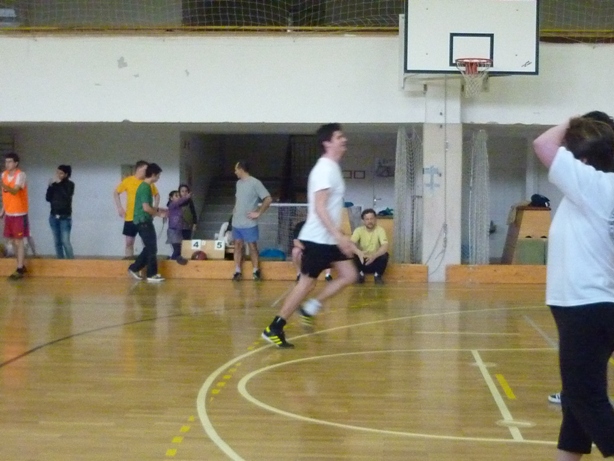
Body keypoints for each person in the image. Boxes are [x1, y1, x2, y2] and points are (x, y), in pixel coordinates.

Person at [533, 114, 614, 460]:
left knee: (584, 398)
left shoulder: (593, 184)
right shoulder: (592, 190)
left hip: (586, 307)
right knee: (576, 402)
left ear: (584, 158)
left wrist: (575, 120)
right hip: (588, 306)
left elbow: (542, 143)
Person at [262, 123, 357, 348]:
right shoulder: (324, 169)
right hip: (318, 239)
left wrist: (338, 236)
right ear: (327, 143)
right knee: (306, 284)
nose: (344, 140)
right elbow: (320, 208)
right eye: (339, 137)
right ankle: (275, 327)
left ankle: (309, 308)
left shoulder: (332, 168)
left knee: (349, 275)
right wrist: (339, 236)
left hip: (328, 239)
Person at [231, 160, 272, 281]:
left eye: (236, 169)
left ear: (241, 169)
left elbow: (268, 199)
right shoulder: (238, 183)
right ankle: (237, 271)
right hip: (236, 222)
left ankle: (256, 270)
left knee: (252, 246)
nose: (235, 172)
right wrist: (235, 209)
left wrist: (258, 212)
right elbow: (238, 198)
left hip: (249, 223)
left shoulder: (255, 183)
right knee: (237, 246)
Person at [127, 163, 167, 283]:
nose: (158, 178)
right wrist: (159, 214)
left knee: (150, 247)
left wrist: (157, 210)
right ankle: (151, 274)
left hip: (143, 221)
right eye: (158, 175)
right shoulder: (145, 187)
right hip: (143, 221)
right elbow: (146, 208)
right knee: (152, 248)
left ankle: (134, 268)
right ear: (153, 174)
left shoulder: (144, 187)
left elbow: (147, 207)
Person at [114, 160, 160, 259]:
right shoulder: (128, 180)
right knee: (129, 243)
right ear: (139, 169)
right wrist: (119, 208)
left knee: (146, 243)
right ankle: (128, 262)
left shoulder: (147, 183)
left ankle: (146, 263)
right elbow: (116, 192)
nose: (147, 171)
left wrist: (154, 209)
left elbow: (157, 195)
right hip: (130, 217)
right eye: (145, 169)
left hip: (143, 218)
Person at [0, 153, 29, 280]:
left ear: (16, 163)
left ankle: (20, 268)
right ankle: (20, 265)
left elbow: (15, 191)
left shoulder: (20, 175)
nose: (7, 164)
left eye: (10, 161)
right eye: (6, 162)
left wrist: (3, 185)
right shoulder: (4, 175)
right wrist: (3, 210)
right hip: (9, 213)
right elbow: (6, 196)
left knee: (18, 241)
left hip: (19, 213)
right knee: (12, 241)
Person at [351, 208, 389, 284]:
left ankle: (377, 275)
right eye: (367, 219)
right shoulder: (358, 230)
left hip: (375, 260)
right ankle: (360, 275)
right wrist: (358, 252)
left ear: (375, 219)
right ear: (363, 221)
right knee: (350, 253)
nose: (370, 221)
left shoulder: (380, 230)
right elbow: (350, 244)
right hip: (362, 260)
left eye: (371, 219)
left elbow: (385, 246)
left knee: (385, 255)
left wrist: (374, 256)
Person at [46, 164, 75, 259]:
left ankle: (71, 262)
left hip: (65, 217)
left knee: (65, 241)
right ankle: (60, 262)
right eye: (57, 173)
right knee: (57, 242)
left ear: (66, 174)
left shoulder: (70, 184)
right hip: (53, 216)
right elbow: (48, 198)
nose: (58, 175)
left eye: (61, 173)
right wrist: (50, 186)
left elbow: (66, 196)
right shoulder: (54, 185)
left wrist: (59, 184)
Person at [166, 189, 191, 265]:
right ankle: (171, 263)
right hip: (173, 230)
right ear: (171, 198)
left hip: (178, 230)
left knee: (179, 250)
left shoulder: (178, 207)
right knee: (177, 250)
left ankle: (175, 263)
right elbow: (179, 202)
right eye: (176, 196)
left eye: (179, 196)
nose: (178, 197)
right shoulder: (172, 205)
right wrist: (186, 197)